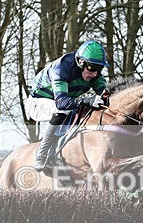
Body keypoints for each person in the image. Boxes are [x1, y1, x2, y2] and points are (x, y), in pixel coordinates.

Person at [27, 40, 110, 172]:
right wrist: (85, 100)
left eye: (99, 69)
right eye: (91, 68)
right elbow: (61, 103)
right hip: (38, 102)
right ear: (80, 63)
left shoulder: (95, 74)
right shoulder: (61, 68)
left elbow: (106, 96)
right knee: (61, 110)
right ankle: (41, 154)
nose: (94, 73)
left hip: (64, 101)